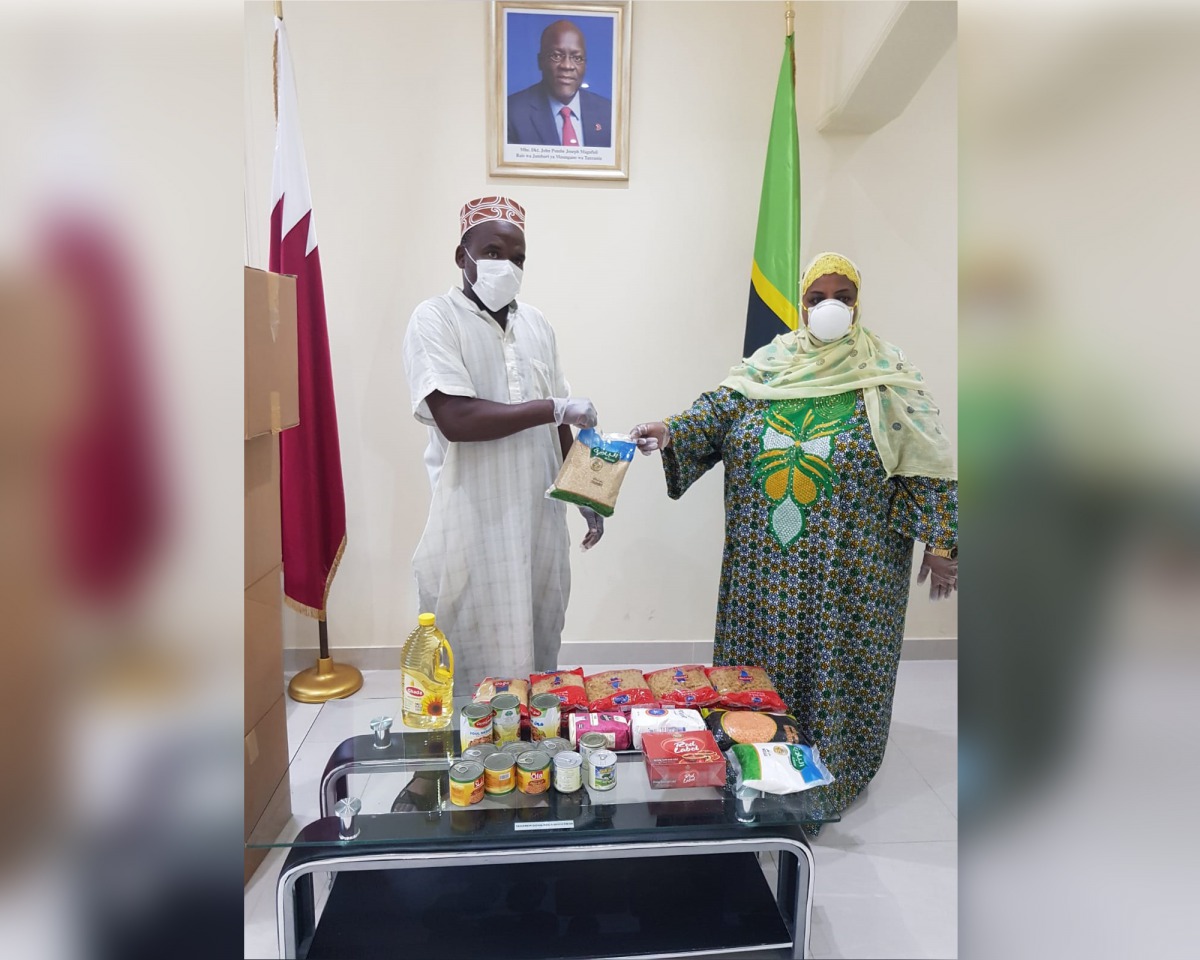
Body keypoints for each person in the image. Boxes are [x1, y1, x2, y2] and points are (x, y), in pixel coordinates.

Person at [630, 252, 958, 822]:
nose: (829, 306)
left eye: (843, 296)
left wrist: (943, 541)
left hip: (849, 576)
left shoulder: (887, 373)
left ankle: (831, 770)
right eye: (817, 297)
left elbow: (931, 461)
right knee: (756, 672)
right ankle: (749, 763)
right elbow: (717, 410)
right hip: (764, 573)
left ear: (858, 304)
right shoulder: (771, 364)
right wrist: (672, 429)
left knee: (835, 670)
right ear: (800, 303)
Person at [402, 196, 604, 692]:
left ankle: (530, 760)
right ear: (461, 255)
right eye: (492, 252)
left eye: (518, 258)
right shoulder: (434, 319)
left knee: (538, 645)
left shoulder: (537, 325)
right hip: (472, 519)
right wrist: (553, 408)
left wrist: (586, 494)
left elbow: (558, 425)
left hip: (538, 520)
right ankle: (460, 763)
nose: (507, 266)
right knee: (465, 646)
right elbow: (457, 417)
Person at [507, 19, 612, 148]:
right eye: (556, 56)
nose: (567, 66)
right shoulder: (511, 113)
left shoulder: (608, 113)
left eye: (577, 58)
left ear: (585, 65)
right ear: (540, 61)